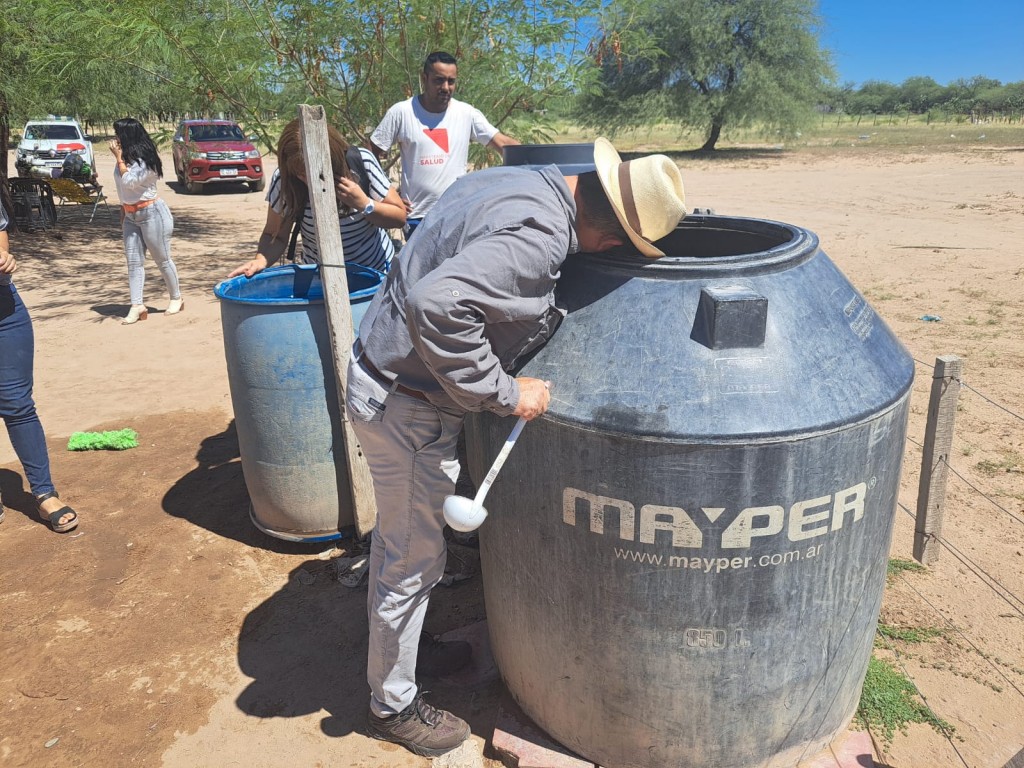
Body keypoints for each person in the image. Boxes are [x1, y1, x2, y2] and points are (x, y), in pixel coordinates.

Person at [346, 138, 687, 757]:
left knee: (407, 542)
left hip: (386, 372)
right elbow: (438, 303)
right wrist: (503, 390)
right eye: (625, 247)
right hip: (409, 407)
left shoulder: (523, 180)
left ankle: (406, 647)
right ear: (610, 236)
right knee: (411, 556)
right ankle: (391, 703)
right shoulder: (539, 238)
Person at [0, 174, 80, 533]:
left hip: (5, 310)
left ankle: (44, 492)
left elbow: (1, 242)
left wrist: (4, 259)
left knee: (18, 405)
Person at [229, 118, 406, 279]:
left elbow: (399, 217)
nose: (309, 180)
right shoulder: (285, 182)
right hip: (321, 275)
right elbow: (275, 235)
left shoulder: (361, 162)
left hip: (375, 273)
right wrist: (261, 260)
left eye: (318, 173)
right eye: (301, 174)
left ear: (334, 159)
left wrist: (364, 204)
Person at [368, 51, 520, 238]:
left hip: (458, 214)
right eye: (439, 80)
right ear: (425, 79)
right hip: (418, 217)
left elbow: (503, 143)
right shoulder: (402, 112)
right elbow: (369, 156)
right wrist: (388, 194)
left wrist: (537, 160)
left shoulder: (466, 114)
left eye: (451, 81)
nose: (446, 87)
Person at [110, 117, 183, 325]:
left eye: (118, 135)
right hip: (131, 215)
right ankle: (137, 305)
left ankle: (176, 297)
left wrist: (118, 158)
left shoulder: (146, 161)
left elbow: (130, 182)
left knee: (162, 258)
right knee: (133, 262)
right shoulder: (125, 159)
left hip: (152, 213)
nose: (116, 140)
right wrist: (123, 208)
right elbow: (122, 188)